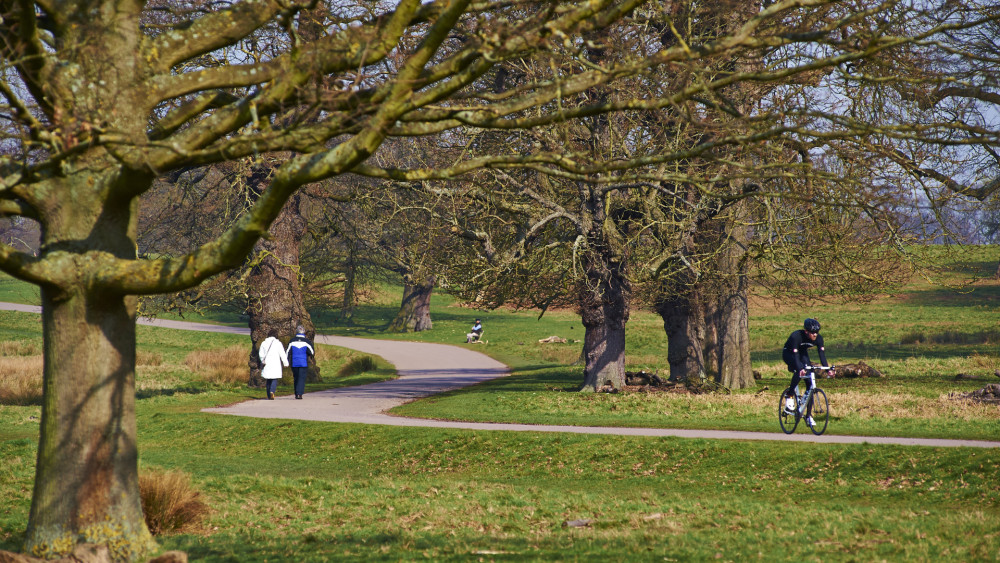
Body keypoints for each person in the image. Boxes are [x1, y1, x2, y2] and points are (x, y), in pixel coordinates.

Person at [782, 318, 829, 427]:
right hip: (789, 353)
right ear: (806, 331)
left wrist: (828, 369)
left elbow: (822, 355)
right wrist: (800, 369)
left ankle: (808, 416)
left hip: (802, 353)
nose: (815, 334)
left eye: (817, 332)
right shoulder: (796, 336)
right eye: (812, 332)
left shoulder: (819, 338)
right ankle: (789, 395)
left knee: (810, 385)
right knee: (800, 370)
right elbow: (795, 355)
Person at [286, 325, 315, 400]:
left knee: (296, 377)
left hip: (294, 362)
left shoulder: (292, 341)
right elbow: (312, 352)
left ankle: (296, 393)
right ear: (304, 332)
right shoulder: (307, 341)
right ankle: (299, 393)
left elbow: (287, 352)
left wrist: (286, 361)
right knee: (301, 378)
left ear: (296, 332)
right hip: (303, 362)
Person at [258, 331, 289, 400]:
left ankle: (269, 395)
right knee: (274, 378)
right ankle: (272, 391)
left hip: (267, 363)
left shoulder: (264, 343)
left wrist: (262, 360)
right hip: (275, 363)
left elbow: (261, 354)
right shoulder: (278, 343)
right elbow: (282, 354)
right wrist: (285, 363)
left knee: (268, 379)